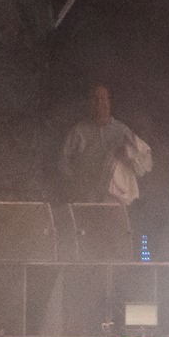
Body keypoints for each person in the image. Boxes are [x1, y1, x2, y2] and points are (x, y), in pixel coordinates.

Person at [59, 84, 154, 230]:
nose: (100, 103)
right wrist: (76, 184)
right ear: (89, 103)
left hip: (114, 204)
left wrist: (128, 156)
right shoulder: (79, 131)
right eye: (95, 99)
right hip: (86, 203)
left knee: (113, 239)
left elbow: (143, 165)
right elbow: (63, 162)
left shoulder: (122, 131)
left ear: (109, 102)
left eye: (103, 98)